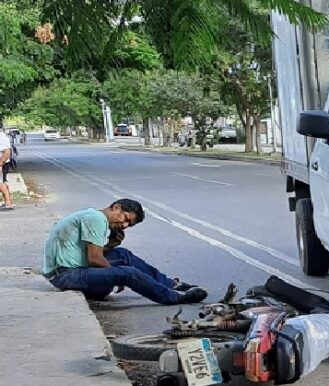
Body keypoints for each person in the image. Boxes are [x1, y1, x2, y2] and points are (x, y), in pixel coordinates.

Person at [42, 198, 207, 304]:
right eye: (126, 219)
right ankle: (174, 297)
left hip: (72, 270)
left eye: (130, 225)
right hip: (67, 276)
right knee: (127, 273)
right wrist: (117, 276)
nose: (125, 226)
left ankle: (171, 284)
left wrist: (111, 245)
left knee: (123, 255)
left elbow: (89, 253)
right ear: (117, 207)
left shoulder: (93, 216)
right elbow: (94, 258)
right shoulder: (96, 219)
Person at [0, 125, 13, 211]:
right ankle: (8, 202)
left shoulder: (2, 137)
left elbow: (7, 152)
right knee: (3, 182)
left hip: (2, 163)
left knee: (1, 184)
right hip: (2, 163)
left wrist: (0, 164)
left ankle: (8, 203)